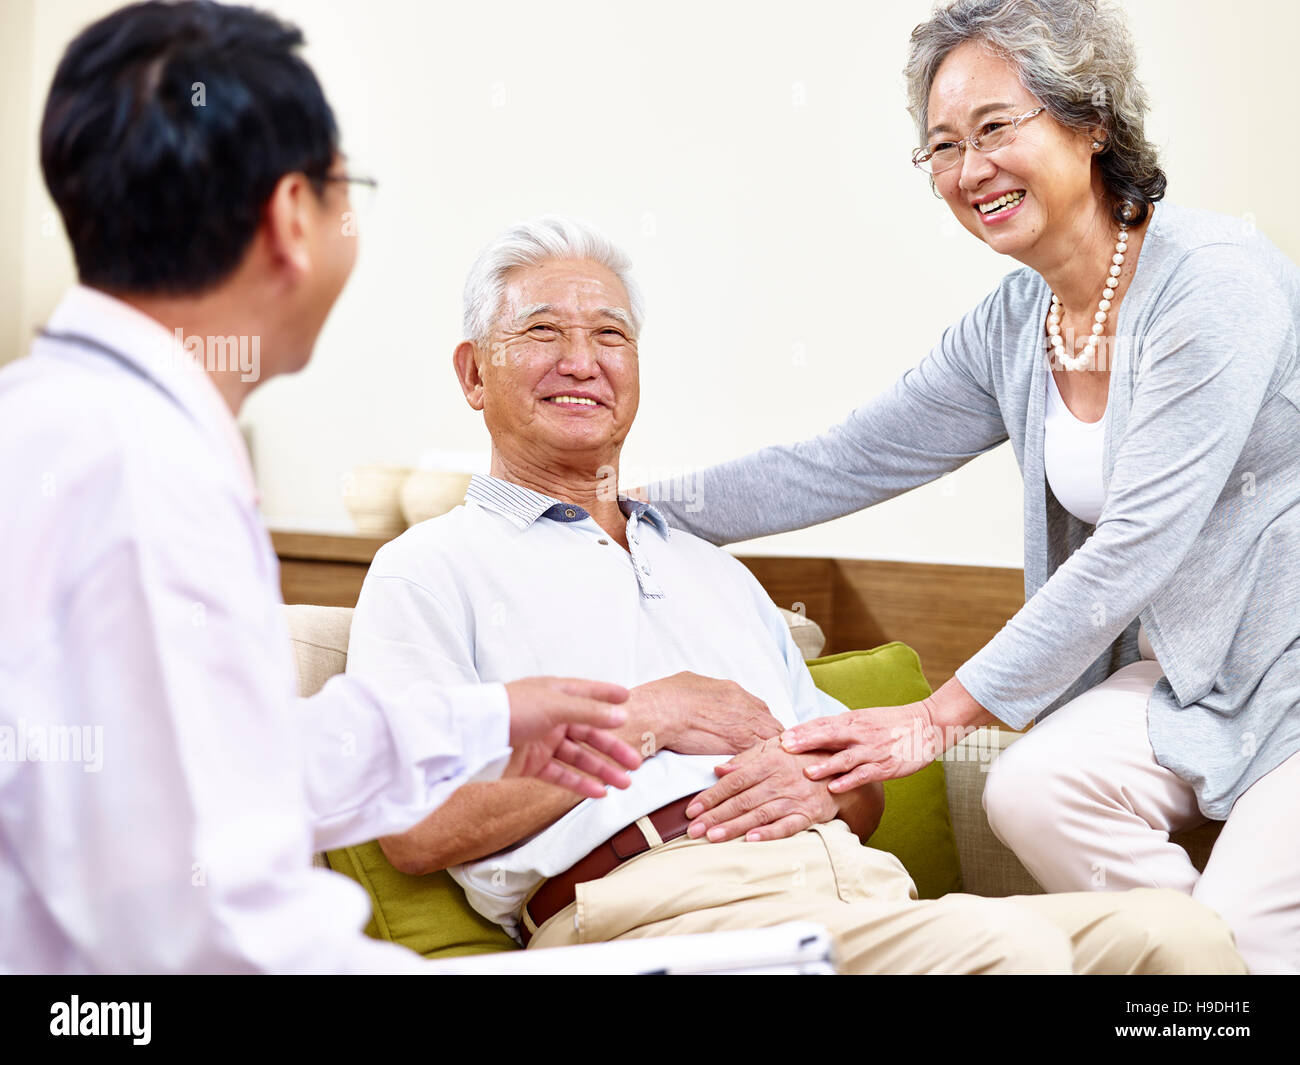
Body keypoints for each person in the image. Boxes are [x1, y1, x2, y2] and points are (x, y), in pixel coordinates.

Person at [344, 214, 1247, 974]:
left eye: (610, 334)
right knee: (1006, 947)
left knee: (1181, 936)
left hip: (852, 888)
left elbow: (861, 798)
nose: (582, 359)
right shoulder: (431, 569)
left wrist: (821, 783)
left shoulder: (711, 567)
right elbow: (413, 830)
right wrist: (647, 718)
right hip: (651, 910)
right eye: (542, 331)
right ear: (472, 373)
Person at [645, 0, 1300, 974]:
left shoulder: (1213, 281)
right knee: (1032, 791)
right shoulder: (1015, 323)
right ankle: (1197, 971)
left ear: (1092, 123)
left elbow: (1137, 544)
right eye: (942, 145)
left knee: (1247, 939)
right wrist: (617, 505)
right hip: (1195, 678)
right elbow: (840, 460)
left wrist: (933, 717)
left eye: (996, 127)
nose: (968, 169)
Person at [0, 0, 641, 975]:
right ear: (291, 217)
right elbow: (200, 918)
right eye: (352, 190)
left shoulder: (57, 420)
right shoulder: (141, 472)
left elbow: (226, 766)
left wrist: (488, 720)